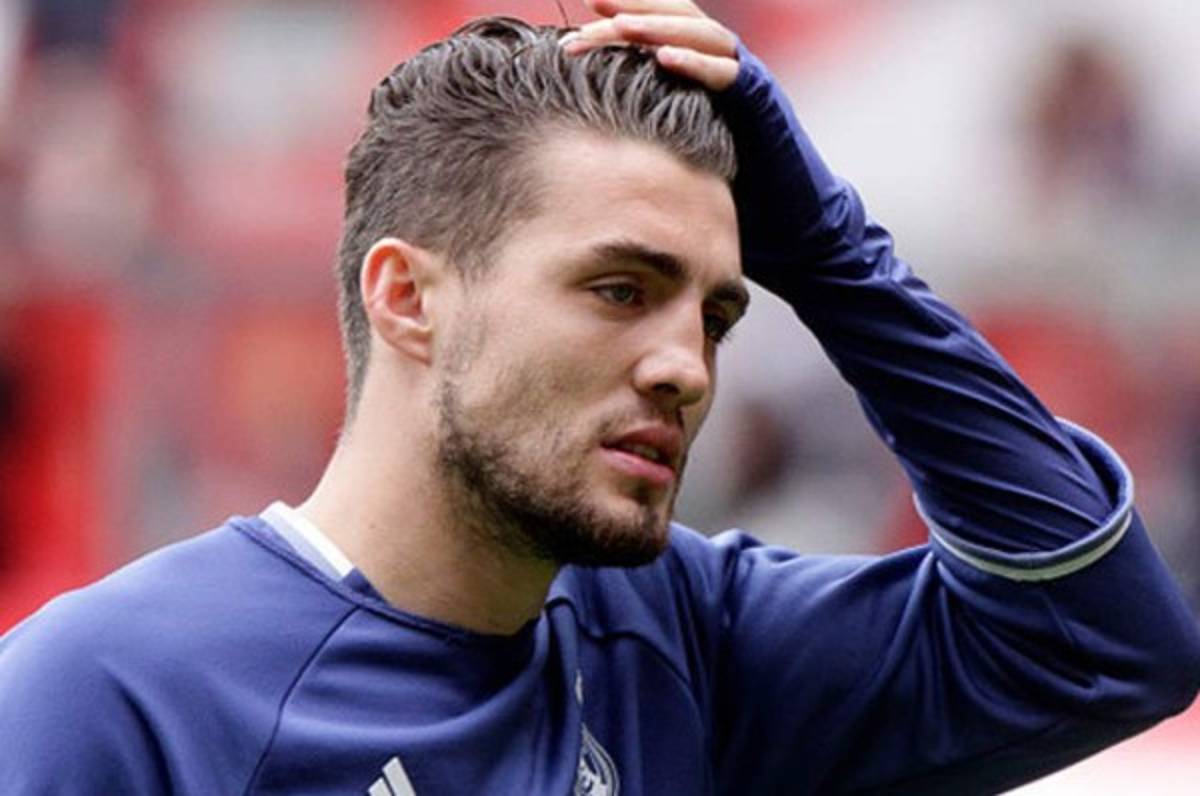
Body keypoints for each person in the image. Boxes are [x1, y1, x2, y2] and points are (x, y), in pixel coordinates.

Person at [2, 1, 1198, 793]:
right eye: (620, 289)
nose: (687, 366)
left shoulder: (686, 641)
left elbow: (1102, 642)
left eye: (716, 315)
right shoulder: (112, 696)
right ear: (408, 298)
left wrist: (832, 255)